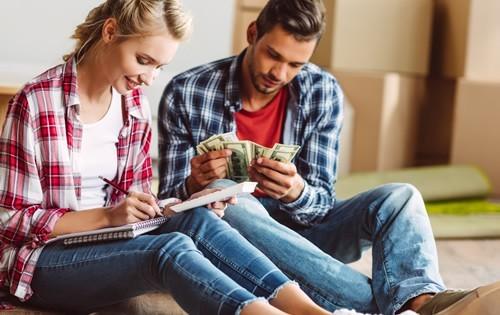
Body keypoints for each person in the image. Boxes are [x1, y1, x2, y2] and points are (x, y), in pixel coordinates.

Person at [157, 0, 500, 314]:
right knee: (230, 198)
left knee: (401, 197)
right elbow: (168, 207)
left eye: (295, 64)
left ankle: (420, 300)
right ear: (252, 34)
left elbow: (321, 204)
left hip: (306, 230)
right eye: (273, 55)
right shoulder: (188, 90)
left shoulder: (322, 91)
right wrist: (194, 182)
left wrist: (295, 191)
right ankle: (401, 310)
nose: (279, 73)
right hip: (236, 234)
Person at [0, 1, 336, 314]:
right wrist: (107, 217)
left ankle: (311, 311)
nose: (149, 78)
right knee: (168, 250)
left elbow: (140, 206)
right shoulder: (36, 101)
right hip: (43, 261)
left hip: (110, 243)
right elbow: (9, 220)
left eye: (159, 67)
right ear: (110, 32)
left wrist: (186, 202)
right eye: (143, 60)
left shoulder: (133, 104)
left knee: (199, 221)